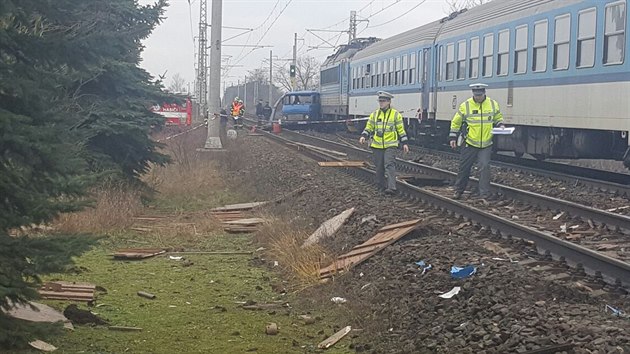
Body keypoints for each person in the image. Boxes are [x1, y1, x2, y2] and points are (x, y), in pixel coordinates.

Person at [449, 83, 504, 199]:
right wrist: (452, 137)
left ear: (484, 93)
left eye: (480, 95)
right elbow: (456, 122)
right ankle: (458, 190)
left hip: (486, 143)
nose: (478, 97)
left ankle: (484, 193)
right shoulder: (466, 105)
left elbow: (497, 117)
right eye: (476, 95)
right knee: (464, 167)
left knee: (484, 167)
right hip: (470, 142)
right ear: (473, 93)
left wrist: (500, 124)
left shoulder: (493, 104)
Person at [359, 91, 409, 195]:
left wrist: (405, 142)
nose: (381, 103)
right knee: (379, 166)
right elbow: (369, 127)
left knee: (389, 164)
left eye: (383, 101)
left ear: (389, 102)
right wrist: (364, 136)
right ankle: (380, 185)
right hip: (377, 145)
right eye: (380, 101)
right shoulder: (375, 114)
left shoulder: (396, 115)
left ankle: (391, 187)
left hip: (391, 145)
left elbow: (401, 130)